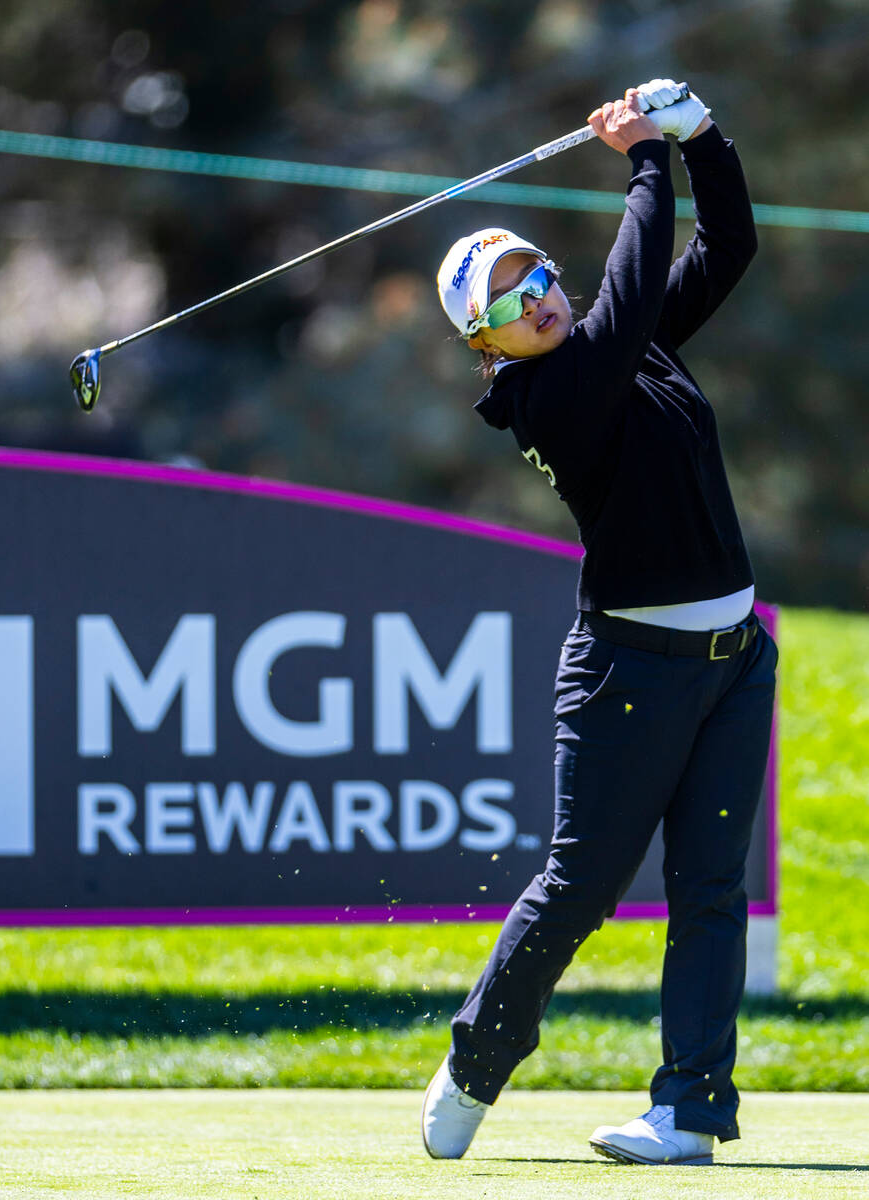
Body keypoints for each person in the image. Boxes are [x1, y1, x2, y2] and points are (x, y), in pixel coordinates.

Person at [421, 79, 778, 1167]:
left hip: (730, 660)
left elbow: (729, 249)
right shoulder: (554, 396)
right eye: (503, 299)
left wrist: (701, 136)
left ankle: (687, 1112)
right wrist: (638, 160)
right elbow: (626, 301)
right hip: (634, 667)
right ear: (484, 344)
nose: (533, 296)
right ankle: (477, 1062)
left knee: (710, 892)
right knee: (579, 887)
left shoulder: (620, 348)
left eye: (534, 273)